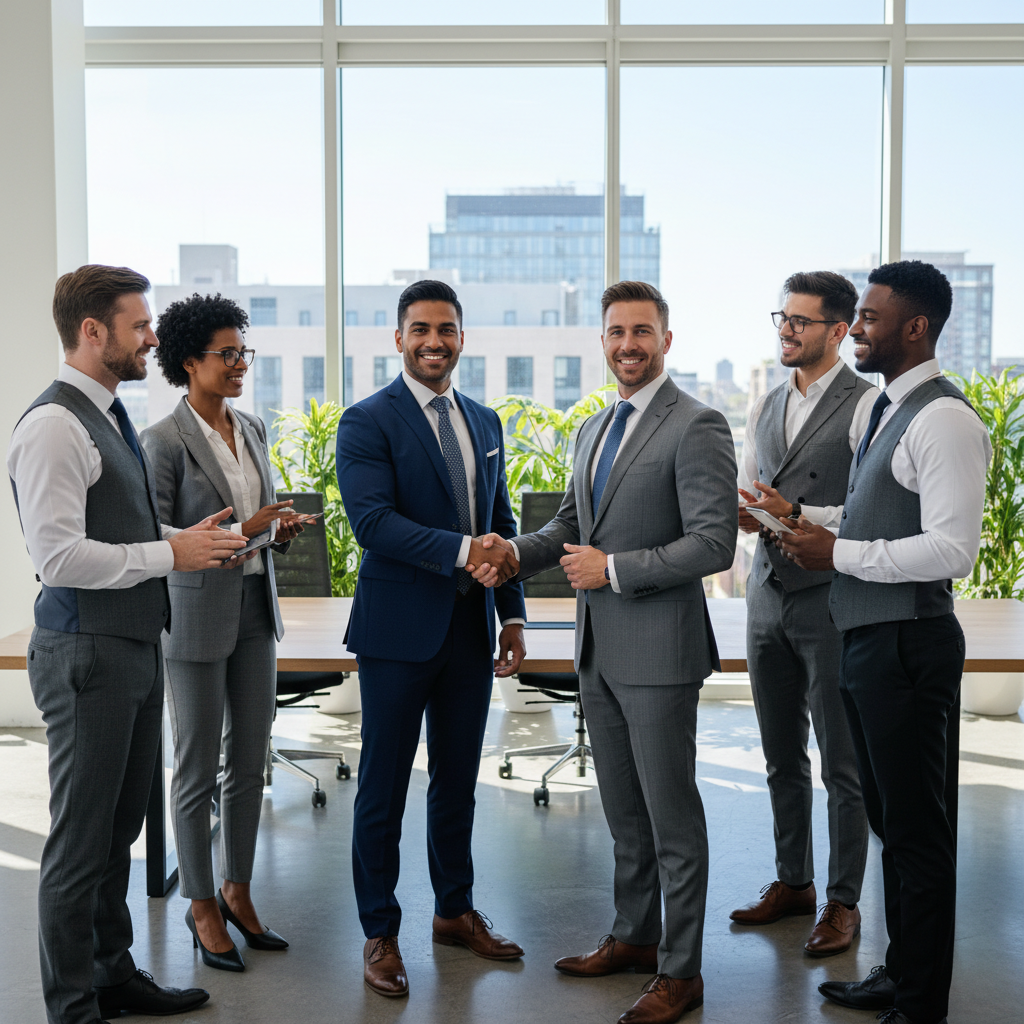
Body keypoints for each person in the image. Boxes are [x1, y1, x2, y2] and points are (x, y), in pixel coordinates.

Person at [480, 280, 737, 1024]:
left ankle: (681, 973)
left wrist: (615, 570)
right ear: (602, 341)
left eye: (643, 332)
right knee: (624, 813)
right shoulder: (593, 429)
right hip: (598, 650)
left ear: (666, 339)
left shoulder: (699, 424)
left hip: (660, 651)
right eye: (617, 332)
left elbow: (714, 542)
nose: (629, 344)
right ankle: (634, 937)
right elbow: (569, 523)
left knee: (671, 820)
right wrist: (511, 554)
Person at [7, 265, 249, 1024]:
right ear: (92, 331)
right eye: (139, 326)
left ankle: (113, 975)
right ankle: (72, 1006)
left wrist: (189, 539)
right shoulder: (53, 425)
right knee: (81, 843)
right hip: (87, 655)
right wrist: (166, 557)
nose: (152, 337)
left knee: (118, 835)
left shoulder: (109, 415)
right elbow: (59, 558)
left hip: (135, 647)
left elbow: (122, 531)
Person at [775, 260, 990, 1024]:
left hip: (910, 645)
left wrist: (836, 555)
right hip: (865, 640)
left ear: (916, 327)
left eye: (868, 318)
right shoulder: (881, 412)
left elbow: (951, 551)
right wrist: (800, 515)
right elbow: (874, 513)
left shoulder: (946, 420)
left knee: (919, 835)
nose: (855, 329)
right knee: (893, 826)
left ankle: (920, 1004)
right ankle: (899, 974)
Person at [335, 279, 527, 1000]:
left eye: (445, 329)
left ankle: (454, 911)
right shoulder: (367, 422)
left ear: (461, 338)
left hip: (470, 632)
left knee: (457, 784)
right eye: (420, 329)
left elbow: (501, 522)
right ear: (398, 339)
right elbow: (373, 525)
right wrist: (460, 549)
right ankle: (379, 931)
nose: (433, 342)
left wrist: (510, 613)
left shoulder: (484, 421)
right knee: (383, 788)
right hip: (396, 633)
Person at [140, 293, 305, 972]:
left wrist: (278, 529)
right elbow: (151, 535)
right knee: (198, 763)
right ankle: (201, 900)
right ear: (188, 362)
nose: (241, 364)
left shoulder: (254, 427)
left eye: (245, 352)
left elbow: (257, 524)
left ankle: (237, 887)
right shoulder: (162, 442)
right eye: (227, 353)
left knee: (249, 761)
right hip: (196, 616)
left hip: (254, 608)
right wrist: (247, 528)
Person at [729, 272, 876, 956]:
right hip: (766, 594)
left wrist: (792, 515)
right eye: (781, 318)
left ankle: (843, 900)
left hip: (828, 600)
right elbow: (759, 490)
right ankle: (794, 883)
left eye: (800, 321)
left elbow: (873, 515)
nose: (785, 330)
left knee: (841, 763)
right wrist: (747, 514)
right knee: (779, 754)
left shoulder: (866, 406)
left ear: (839, 331)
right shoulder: (764, 403)